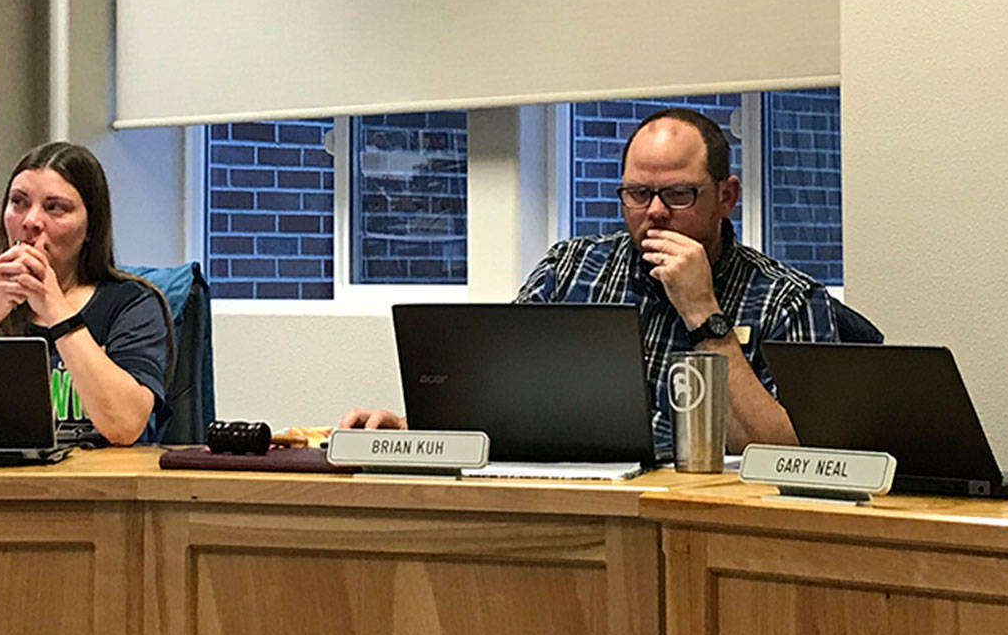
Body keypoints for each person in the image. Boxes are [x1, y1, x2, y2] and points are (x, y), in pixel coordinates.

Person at [344, 108, 875, 455]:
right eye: (638, 194)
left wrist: (705, 315)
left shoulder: (789, 299)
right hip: (574, 503)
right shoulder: (570, 270)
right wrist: (414, 431)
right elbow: (496, 400)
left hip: (706, 520)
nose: (656, 212)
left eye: (679, 195)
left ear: (726, 196)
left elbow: (792, 456)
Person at [0, 142, 170, 446]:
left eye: (54, 207)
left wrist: (56, 309)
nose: (30, 221)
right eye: (18, 202)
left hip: (95, 475)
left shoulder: (132, 304)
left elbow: (124, 426)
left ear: (90, 227)